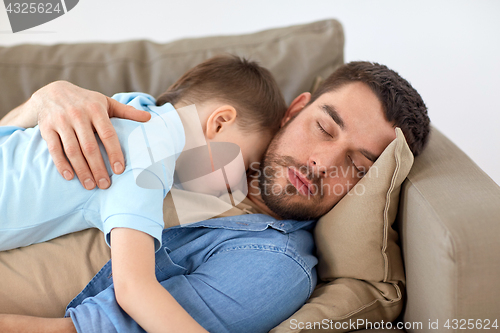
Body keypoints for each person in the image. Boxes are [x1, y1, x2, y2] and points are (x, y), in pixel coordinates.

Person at [0, 61, 430, 333]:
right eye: (323, 127)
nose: (321, 163)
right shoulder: (186, 137)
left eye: (358, 167)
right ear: (295, 109)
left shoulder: (272, 262)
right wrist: (43, 101)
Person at [0, 55, 288, 333]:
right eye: (247, 163)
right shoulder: (150, 154)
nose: (239, 185)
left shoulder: (131, 106)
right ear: (220, 122)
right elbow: (134, 288)